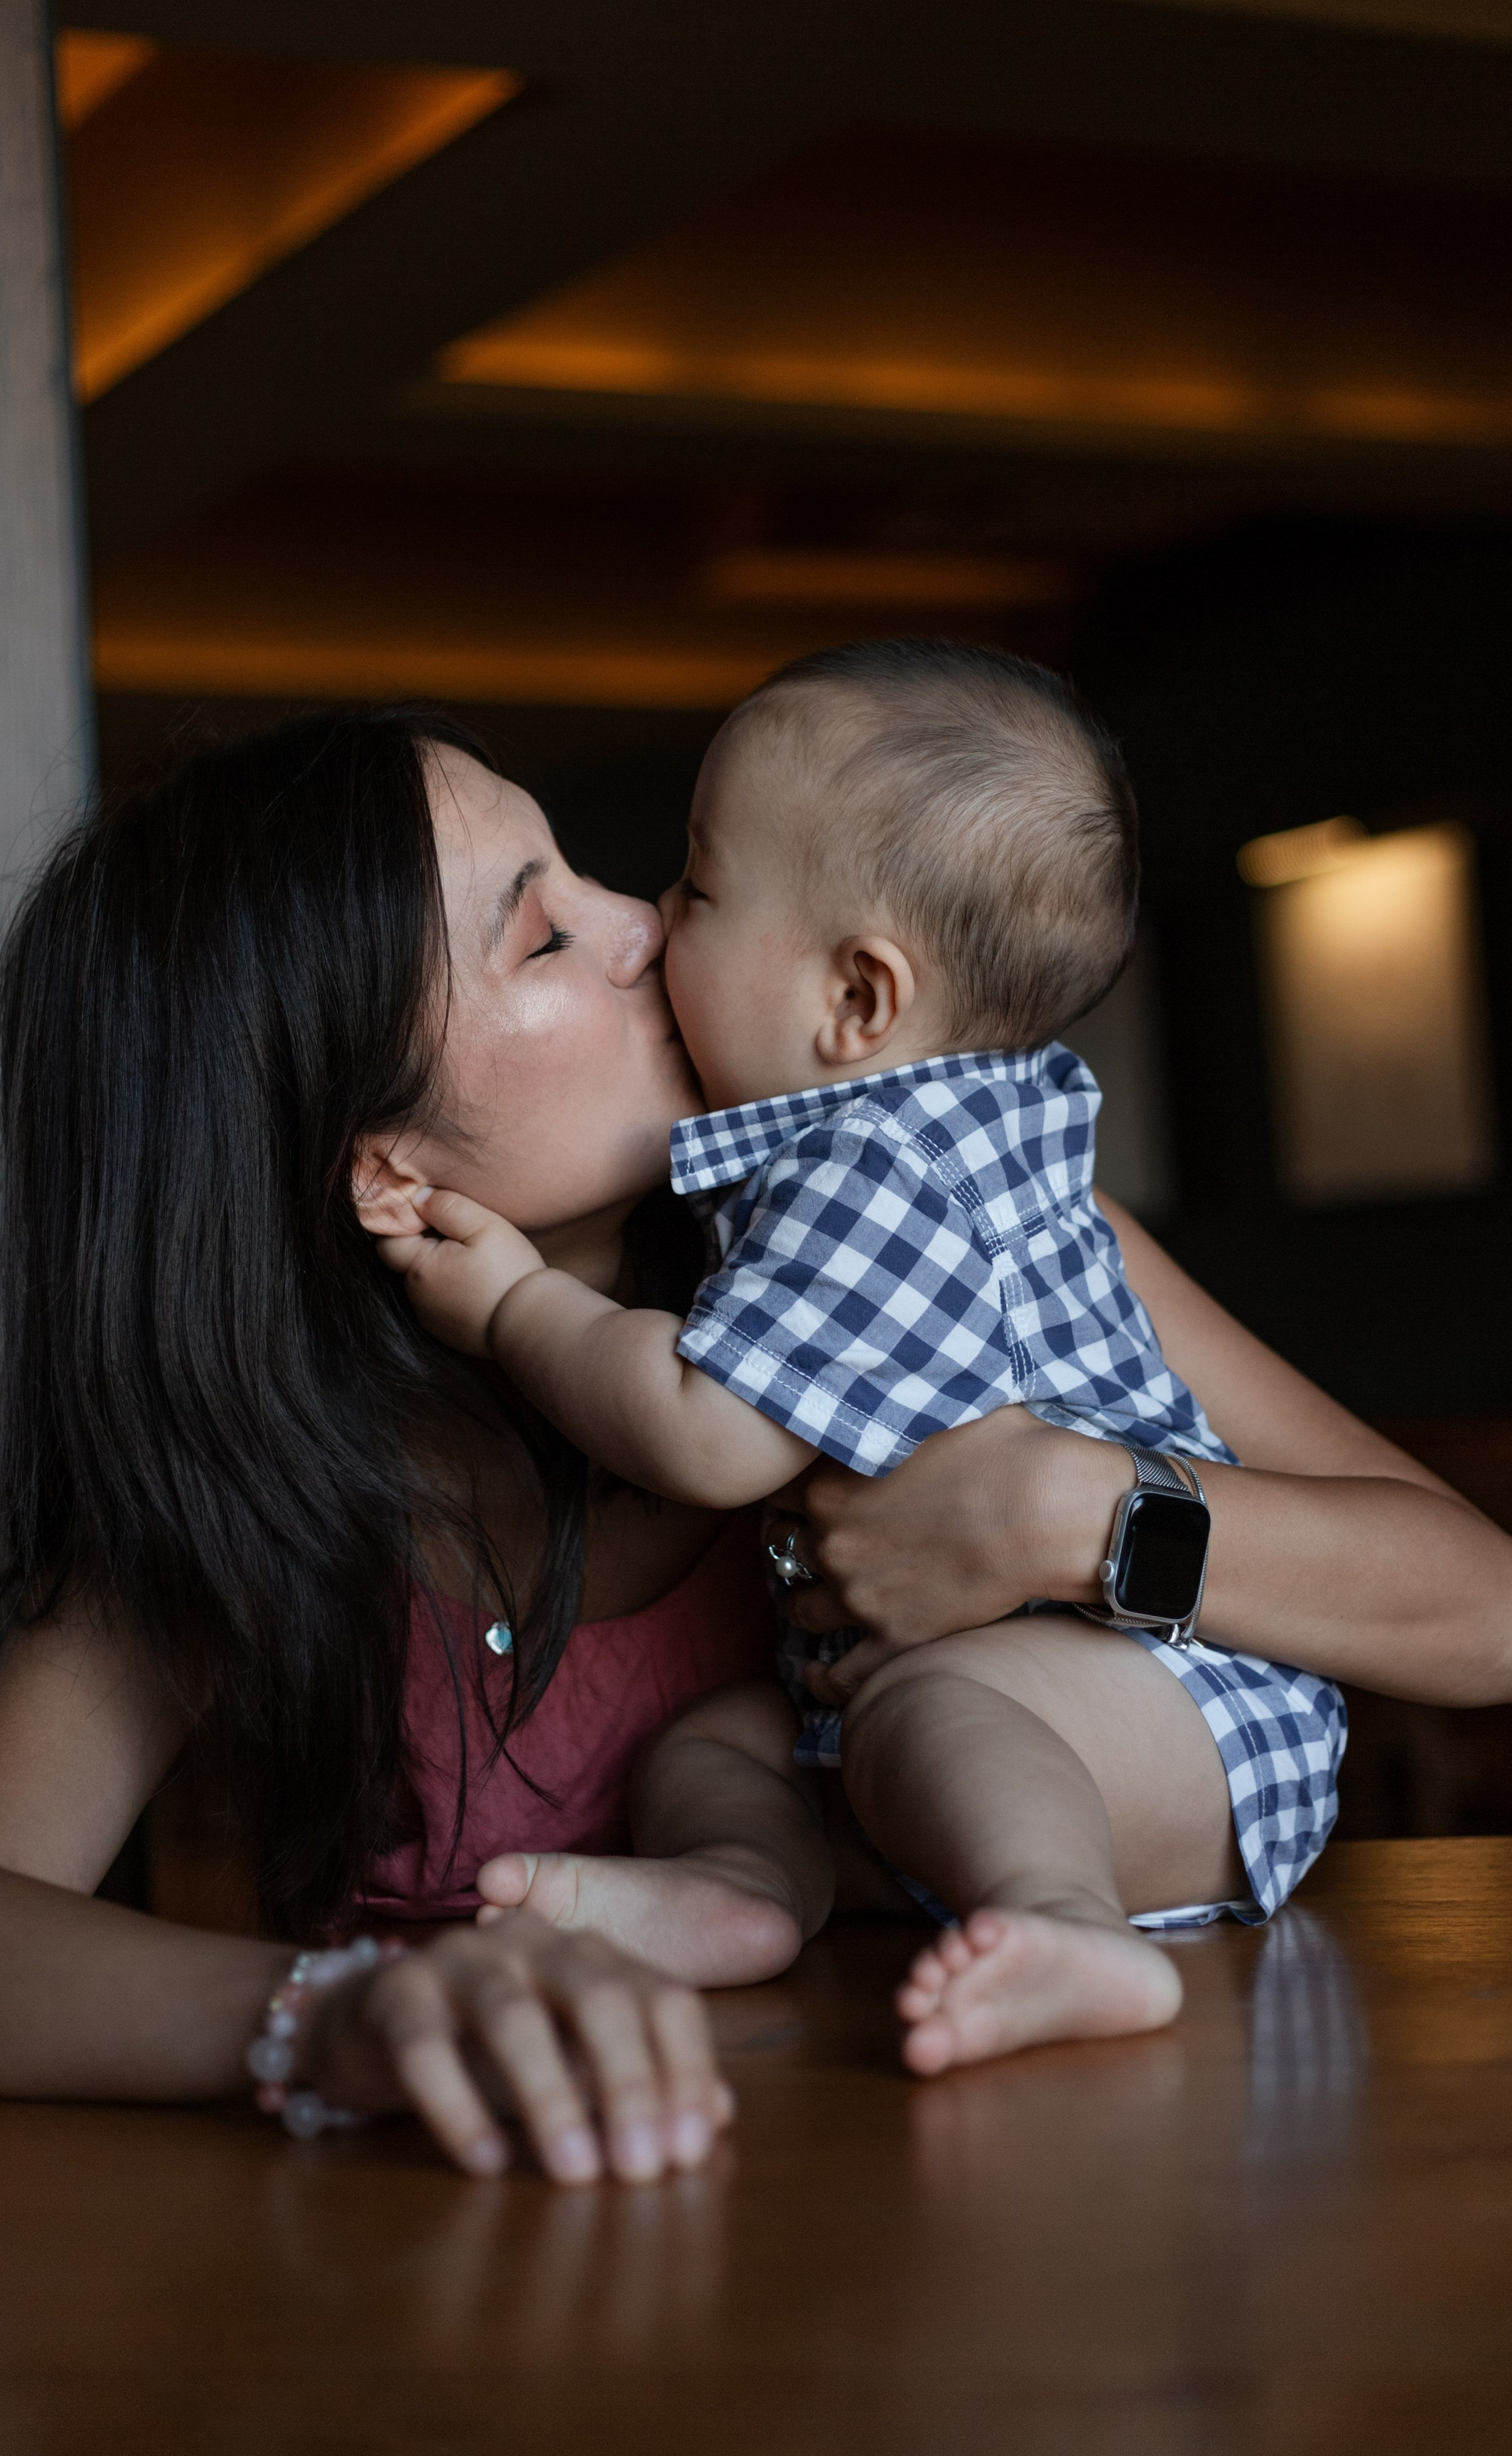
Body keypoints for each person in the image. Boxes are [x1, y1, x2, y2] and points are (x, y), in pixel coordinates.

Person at [0, 707, 1512, 2179]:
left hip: (1016, 2213)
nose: (640, 926)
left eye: (599, 877)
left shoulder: (939, 1249)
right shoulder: (255, 1501)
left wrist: (1083, 1512)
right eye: (543, 937)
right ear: (381, 1165)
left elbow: (1503, 1622)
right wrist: (340, 2014)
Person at [364, 647, 1329, 2066]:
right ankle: (744, 1890)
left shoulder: (878, 1171)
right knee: (712, 1746)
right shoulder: (856, 1163)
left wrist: (517, 1308)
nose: (648, 917)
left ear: (859, 1004)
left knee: (933, 1711)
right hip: (1031, 1694)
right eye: (551, 931)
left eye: (695, 888)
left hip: (1155, 1693)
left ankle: (1060, 1921)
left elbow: (707, 1430)